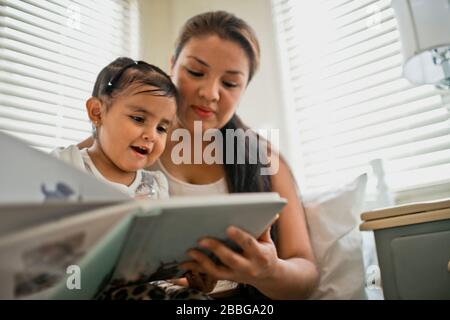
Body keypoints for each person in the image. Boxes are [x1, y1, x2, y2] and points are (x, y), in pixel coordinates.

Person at [79, 11, 319, 300]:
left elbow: (305, 273)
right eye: (195, 72)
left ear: (244, 89)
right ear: (172, 66)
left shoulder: (264, 159)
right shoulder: (118, 146)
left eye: (230, 84)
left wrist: (269, 272)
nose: (209, 93)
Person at [53, 57, 178, 199]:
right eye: (139, 119)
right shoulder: (67, 164)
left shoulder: (156, 186)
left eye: (161, 128)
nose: (152, 135)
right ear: (97, 113)